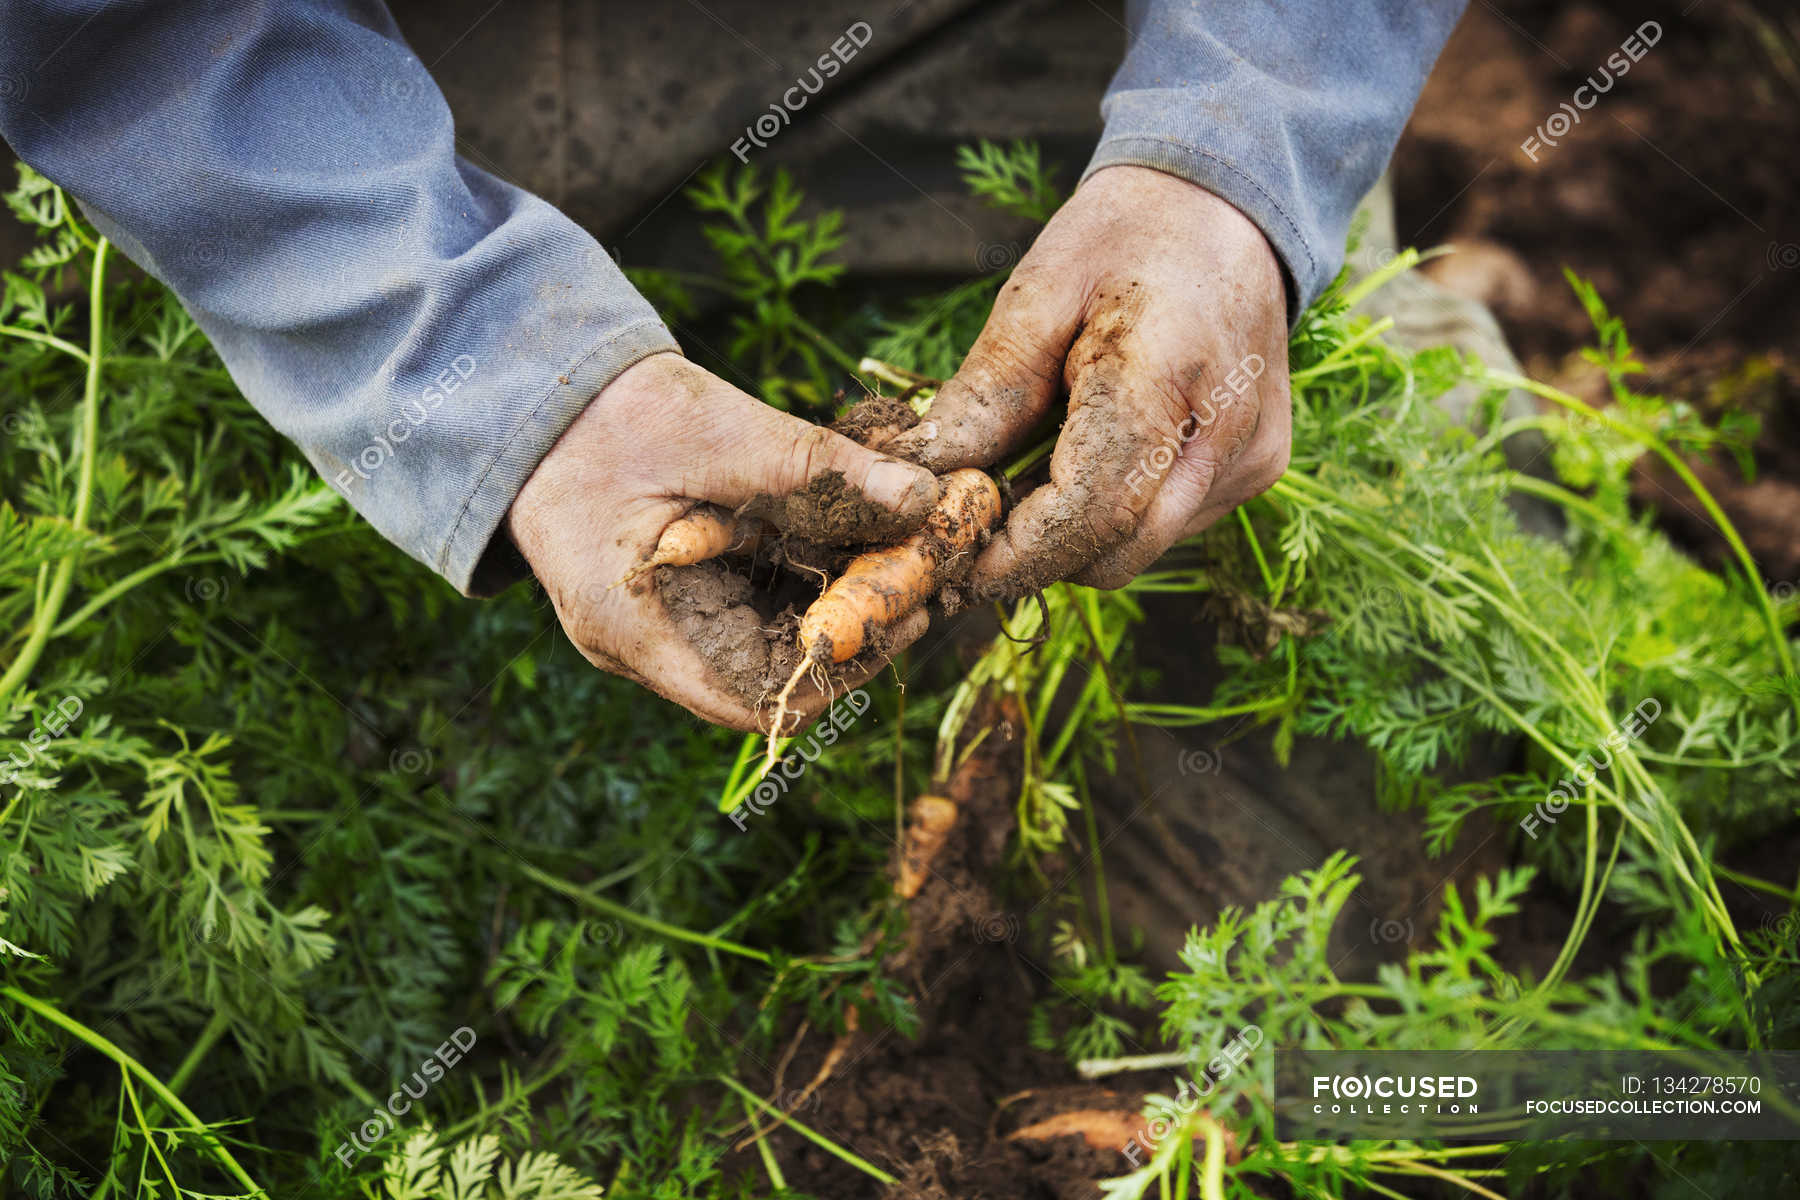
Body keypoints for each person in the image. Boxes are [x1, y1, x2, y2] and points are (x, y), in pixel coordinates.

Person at [0, 0, 1464, 730]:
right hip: (279, 79)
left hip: (1036, 41)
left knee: (1333, 939)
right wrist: (468, 354)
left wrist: (1233, 157)